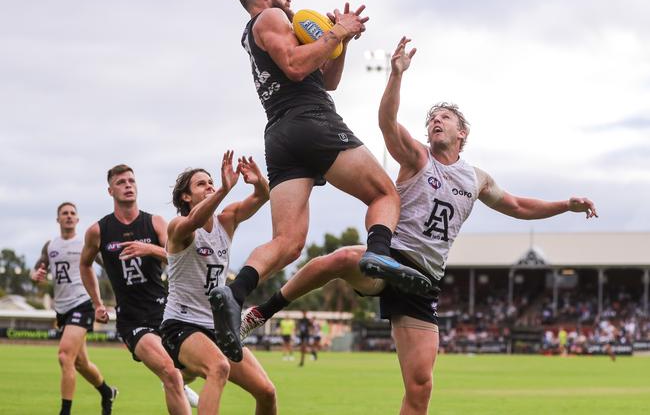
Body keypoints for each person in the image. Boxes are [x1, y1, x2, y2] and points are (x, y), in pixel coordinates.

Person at [241, 37, 598, 415]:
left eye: (444, 117)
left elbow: (519, 205)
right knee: (343, 258)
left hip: (424, 278)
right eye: (432, 119)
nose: (435, 121)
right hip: (391, 258)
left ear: (463, 134)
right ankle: (261, 312)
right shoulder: (416, 157)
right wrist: (395, 75)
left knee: (421, 386)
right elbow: (386, 123)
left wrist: (565, 205)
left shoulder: (476, 179)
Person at [210, 0, 430, 363]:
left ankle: (235, 292)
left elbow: (326, 79)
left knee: (288, 243)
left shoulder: (267, 28)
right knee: (384, 193)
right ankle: (379, 251)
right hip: (310, 121)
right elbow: (296, 66)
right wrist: (336, 32)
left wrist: (340, 44)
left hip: (280, 136)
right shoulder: (271, 17)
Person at [161, 152, 276, 414]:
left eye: (211, 182)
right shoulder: (179, 226)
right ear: (185, 197)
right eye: (201, 184)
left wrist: (258, 181)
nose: (209, 185)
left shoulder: (227, 220)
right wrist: (224, 188)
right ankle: (182, 375)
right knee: (218, 367)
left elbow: (262, 197)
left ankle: (183, 376)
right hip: (180, 324)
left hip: (219, 328)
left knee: (267, 392)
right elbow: (195, 220)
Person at [79, 164, 197, 415]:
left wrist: (150, 249)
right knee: (169, 372)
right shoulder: (98, 231)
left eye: (131, 181)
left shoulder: (154, 222)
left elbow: (178, 256)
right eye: (121, 182)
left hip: (167, 313)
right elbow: (85, 264)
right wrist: (97, 302)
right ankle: (177, 383)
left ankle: (181, 384)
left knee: (192, 370)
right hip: (132, 320)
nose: (128, 185)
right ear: (110, 190)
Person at [31, 202, 117, 415]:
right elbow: (37, 271)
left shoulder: (84, 242)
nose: (68, 216)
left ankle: (65, 412)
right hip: (62, 309)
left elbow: (108, 264)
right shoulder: (50, 246)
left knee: (64, 356)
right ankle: (107, 392)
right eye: (64, 213)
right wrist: (35, 276)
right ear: (58, 219)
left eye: (72, 213)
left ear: (77, 219)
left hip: (83, 303)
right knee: (80, 363)